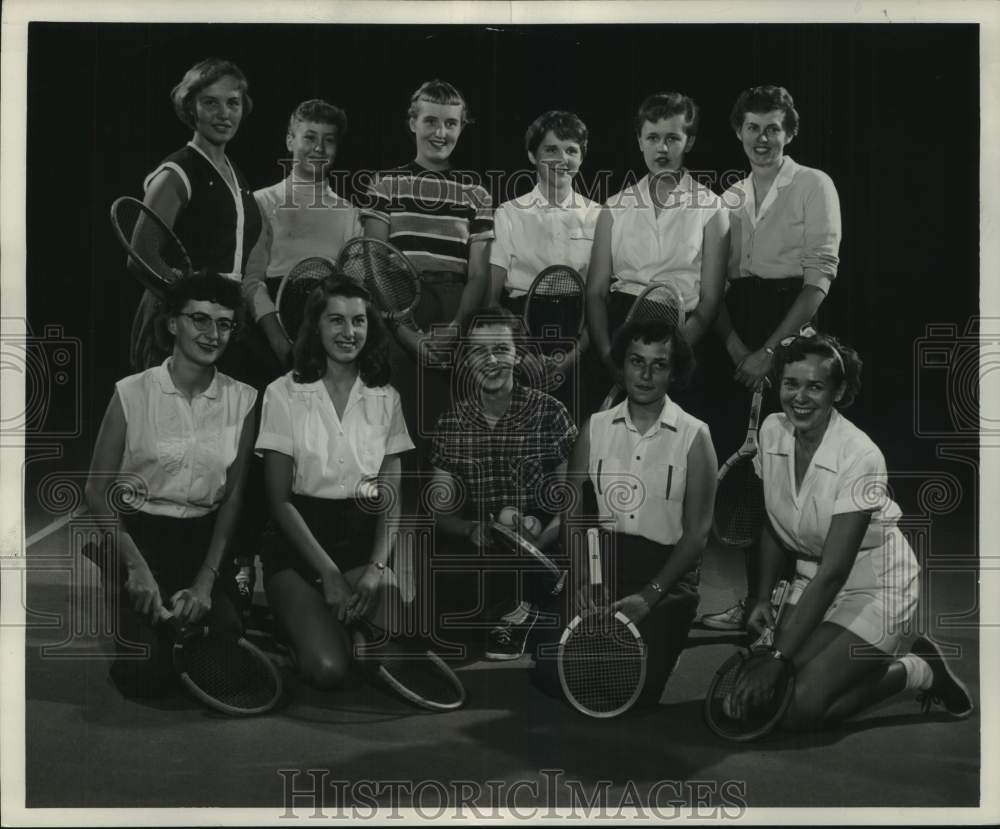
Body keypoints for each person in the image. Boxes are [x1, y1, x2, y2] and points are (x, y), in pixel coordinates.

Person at [724, 330, 973, 728]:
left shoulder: (861, 455)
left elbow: (835, 571)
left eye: (815, 387)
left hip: (875, 588)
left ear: (837, 392)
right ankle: (849, 667)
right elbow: (772, 522)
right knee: (763, 701)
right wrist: (760, 596)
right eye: (790, 384)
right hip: (811, 579)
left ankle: (918, 670)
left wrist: (777, 657)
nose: (800, 397)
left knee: (798, 707)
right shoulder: (772, 430)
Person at [702, 85, 842, 631]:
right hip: (737, 332)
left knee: (788, 476)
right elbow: (714, 285)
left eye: (774, 128)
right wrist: (736, 346)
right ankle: (755, 604)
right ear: (739, 132)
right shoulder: (729, 198)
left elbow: (818, 280)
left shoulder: (814, 184)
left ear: (790, 133)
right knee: (751, 478)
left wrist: (770, 351)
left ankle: (790, 605)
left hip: (791, 332)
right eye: (753, 128)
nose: (763, 138)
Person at [84, 274, 256, 697]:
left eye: (224, 323)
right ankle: (119, 583)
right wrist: (135, 567)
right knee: (148, 678)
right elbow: (96, 491)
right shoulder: (131, 392)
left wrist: (205, 581)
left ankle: (211, 611)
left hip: (202, 541)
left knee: (226, 671)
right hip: (139, 539)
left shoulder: (244, 399)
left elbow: (233, 498)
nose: (212, 334)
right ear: (172, 323)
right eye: (200, 319)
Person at [536, 317, 716, 707]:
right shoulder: (595, 427)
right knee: (552, 673)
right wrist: (582, 579)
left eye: (659, 364)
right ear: (622, 365)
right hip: (602, 564)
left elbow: (697, 535)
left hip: (664, 575)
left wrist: (649, 597)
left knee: (627, 691)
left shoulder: (695, 435)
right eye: (637, 361)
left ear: (674, 372)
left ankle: (665, 643)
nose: (646, 375)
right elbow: (573, 514)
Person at [255, 275, 414, 689]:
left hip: (360, 547)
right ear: (317, 325)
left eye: (358, 321)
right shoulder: (282, 393)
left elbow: (391, 497)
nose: (349, 332)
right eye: (336, 320)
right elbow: (278, 500)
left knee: (391, 661)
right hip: (299, 549)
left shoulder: (387, 397)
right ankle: (289, 629)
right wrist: (327, 573)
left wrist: (376, 569)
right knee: (328, 671)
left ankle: (334, 625)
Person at [427, 307, 578, 659]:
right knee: (442, 618)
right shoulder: (451, 423)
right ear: (466, 360)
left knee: (558, 627)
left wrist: (538, 543)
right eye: (479, 351)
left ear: (518, 354)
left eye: (500, 349)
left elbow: (574, 503)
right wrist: (471, 529)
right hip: (487, 545)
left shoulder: (551, 412)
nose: (491, 361)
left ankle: (523, 611)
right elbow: (440, 513)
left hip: (546, 544)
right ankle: (512, 611)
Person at [361, 79, 494, 454]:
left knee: (450, 439)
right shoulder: (385, 185)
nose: (441, 132)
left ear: (461, 127)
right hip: (398, 312)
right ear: (412, 123)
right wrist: (407, 335)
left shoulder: (476, 193)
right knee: (397, 437)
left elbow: (478, 274)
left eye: (451, 123)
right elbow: (374, 265)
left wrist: (456, 328)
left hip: (455, 314)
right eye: (431, 121)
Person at [586, 91, 728, 411]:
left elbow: (710, 301)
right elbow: (595, 293)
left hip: (681, 337)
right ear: (639, 140)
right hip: (621, 332)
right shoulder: (614, 207)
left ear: (689, 142)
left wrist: (669, 356)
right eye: (652, 137)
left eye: (672, 138)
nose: (662, 148)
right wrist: (611, 357)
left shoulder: (712, 208)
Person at [130, 58, 265, 377]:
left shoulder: (237, 176)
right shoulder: (177, 172)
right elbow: (141, 255)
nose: (224, 114)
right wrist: (187, 299)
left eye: (233, 103)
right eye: (210, 103)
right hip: (178, 325)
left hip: (223, 322)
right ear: (191, 108)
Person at [489, 110, 601, 420]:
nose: (562, 159)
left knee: (576, 431)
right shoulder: (508, 213)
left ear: (581, 157)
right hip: (522, 336)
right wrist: (522, 355)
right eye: (551, 149)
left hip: (579, 337)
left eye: (571, 150)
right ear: (532, 155)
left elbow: (599, 298)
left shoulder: (598, 216)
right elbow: (491, 299)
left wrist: (573, 356)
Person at [250, 99, 362, 371]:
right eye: (310, 137)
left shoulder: (350, 213)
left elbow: (354, 288)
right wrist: (279, 342)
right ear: (290, 140)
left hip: (327, 331)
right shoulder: (261, 202)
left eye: (329, 140)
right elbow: (252, 281)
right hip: (270, 334)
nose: (319, 148)